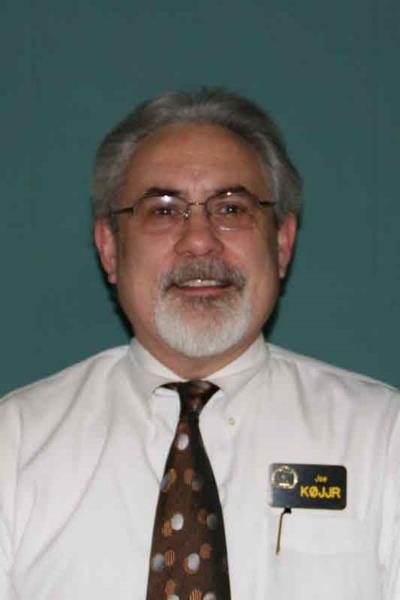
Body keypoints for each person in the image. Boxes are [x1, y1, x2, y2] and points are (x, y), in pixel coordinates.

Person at [0, 89, 399, 600]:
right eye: (163, 211)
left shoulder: (383, 438)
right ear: (109, 248)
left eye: (231, 208)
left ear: (281, 244)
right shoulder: (16, 445)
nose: (199, 241)